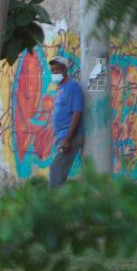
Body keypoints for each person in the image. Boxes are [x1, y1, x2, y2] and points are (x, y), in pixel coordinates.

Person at [48, 55, 84, 188]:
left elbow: (77, 113)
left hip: (69, 137)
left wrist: (68, 139)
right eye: (52, 70)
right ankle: (60, 204)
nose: (54, 73)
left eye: (57, 70)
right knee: (59, 174)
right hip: (61, 136)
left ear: (65, 70)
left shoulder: (72, 86)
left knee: (55, 171)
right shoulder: (61, 88)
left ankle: (55, 206)